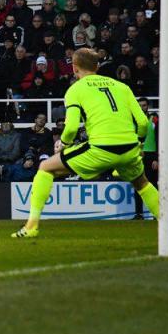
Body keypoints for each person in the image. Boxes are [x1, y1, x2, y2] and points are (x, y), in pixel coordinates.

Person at [12, 48, 160, 239]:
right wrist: (138, 145)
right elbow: (142, 123)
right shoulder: (122, 87)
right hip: (129, 147)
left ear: (74, 68)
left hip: (101, 148)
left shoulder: (76, 89)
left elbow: (72, 127)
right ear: (97, 66)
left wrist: (63, 143)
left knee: (45, 167)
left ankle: (31, 226)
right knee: (142, 183)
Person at [133, 97, 158, 219]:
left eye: (144, 105)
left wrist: (157, 157)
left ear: (148, 106)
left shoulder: (155, 119)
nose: (142, 108)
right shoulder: (134, 120)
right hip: (138, 155)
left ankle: (156, 213)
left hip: (151, 155)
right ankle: (139, 213)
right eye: (140, 105)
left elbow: (159, 138)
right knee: (137, 184)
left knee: (153, 185)